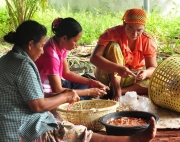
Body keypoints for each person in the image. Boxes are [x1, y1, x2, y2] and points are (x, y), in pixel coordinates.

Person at [0, 20, 157, 142]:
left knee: (58, 116)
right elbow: (38, 105)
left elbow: (37, 94)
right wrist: (67, 96)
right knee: (73, 132)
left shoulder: (7, 59)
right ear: (30, 44)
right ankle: (133, 139)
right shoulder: (25, 65)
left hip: (12, 116)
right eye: (40, 46)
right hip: (17, 128)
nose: (42, 50)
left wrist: (86, 86)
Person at [90, 8, 157, 101]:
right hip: (106, 75)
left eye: (139, 30)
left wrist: (145, 73)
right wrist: (118, 68)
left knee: (156, 85)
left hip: (130, 78)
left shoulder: (147, 40)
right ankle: (116, 89)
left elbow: (153, 68)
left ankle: (121, 91)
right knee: (114, 46)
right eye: (130, 28)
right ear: (124, 24)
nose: (135, 34)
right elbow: (94, 58)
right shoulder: (112, 33)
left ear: (143, 28)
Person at [35, 17, 108, 100]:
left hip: (59, 83)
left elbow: (66, 73)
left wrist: (92, 82)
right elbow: (57, 90)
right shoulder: (51, 55)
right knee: (80, 98)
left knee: (86, 85)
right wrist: (89, 92)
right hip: (48, 93)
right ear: (64, 38)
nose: (77, 44)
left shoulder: (58, 45)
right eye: (75, 41)